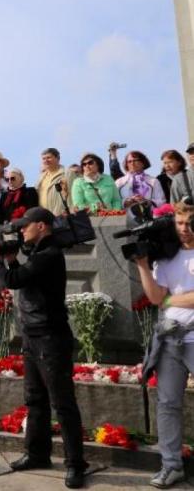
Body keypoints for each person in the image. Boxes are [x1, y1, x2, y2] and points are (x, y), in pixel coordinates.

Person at [0, 207, 87, 489]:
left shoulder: (50, 254)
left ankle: (76, 464)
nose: (21, 231)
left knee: (62, 404)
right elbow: (25, 282)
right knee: (35, 399)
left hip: (50, 337)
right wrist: (12, 260)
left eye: (25, 226)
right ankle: (37, 454)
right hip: (32, 335)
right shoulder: (39, 254)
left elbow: (13, 281)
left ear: (42, 226)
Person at [135, 201, 194, 489]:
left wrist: (171, 299)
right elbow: (156, 297)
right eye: (180, 223)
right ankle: (171, 466)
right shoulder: (167, 256)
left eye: (190, 223)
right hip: (171, 337)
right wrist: (143, 265)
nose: (185, 229)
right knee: (168, 404)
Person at [115, 150, 166, 219]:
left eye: (135, 160)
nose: (132, 163)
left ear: (143, 162)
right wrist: (125, 202)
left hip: (151, 221)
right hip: (127, 223)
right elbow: (113, 202)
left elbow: (162, 202)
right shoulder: (119, 182)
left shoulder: (153, 181)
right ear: (126, 164)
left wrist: (147, 202)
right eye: (129, 161)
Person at [35, 147, 76, 215]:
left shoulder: (67, 173)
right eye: (43, 158)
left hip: (61, 215)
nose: (46, 160)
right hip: (45, 217)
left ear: (58, 158)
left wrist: (68, 211)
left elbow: (73, 194)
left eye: (49, 157)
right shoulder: (41, 177)